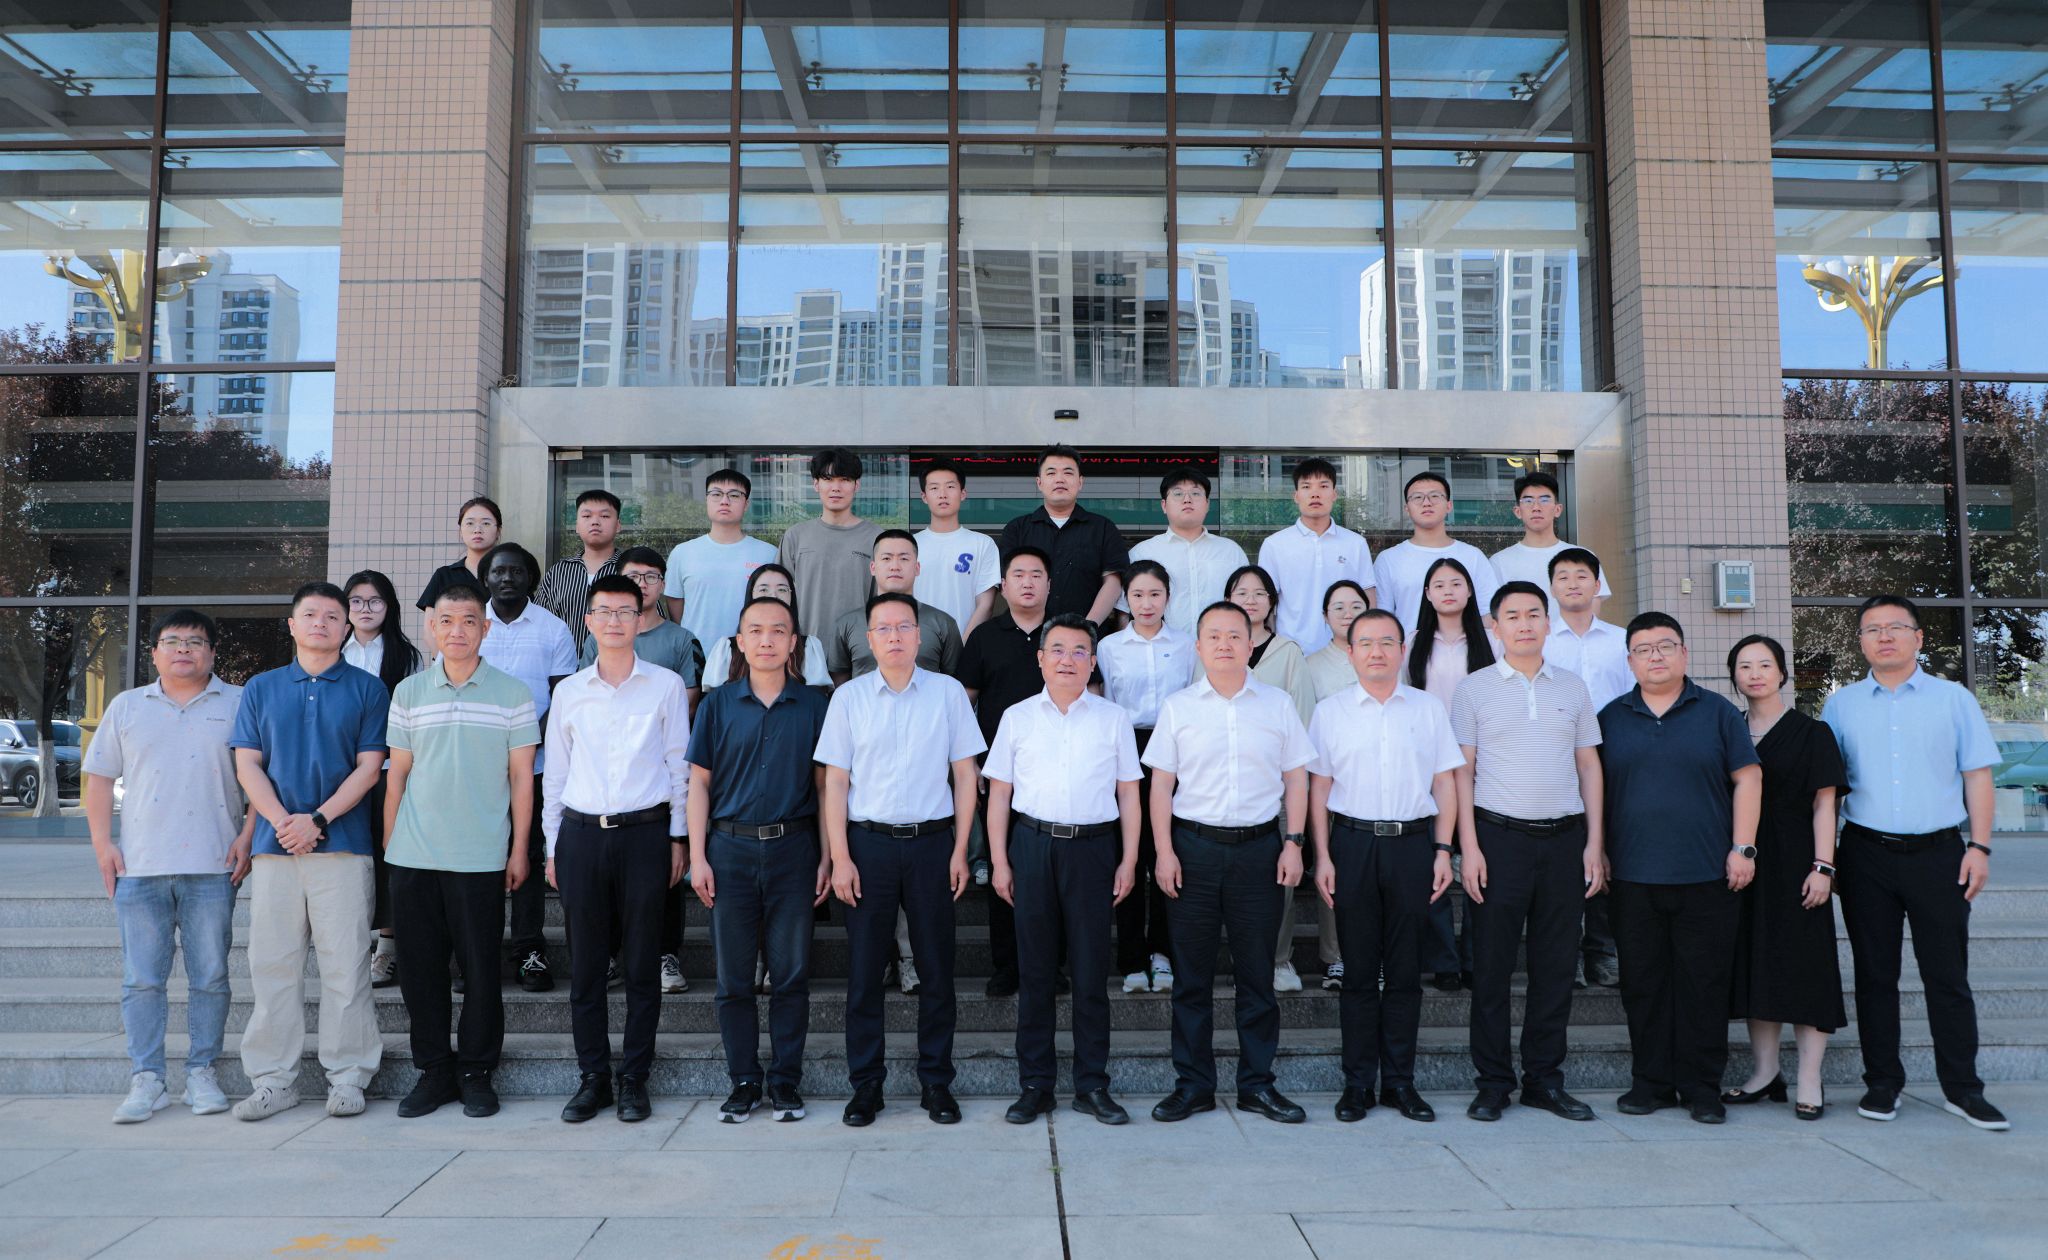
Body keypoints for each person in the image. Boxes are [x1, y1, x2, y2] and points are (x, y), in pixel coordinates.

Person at [1822, 593, 2009, 1131]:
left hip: (1939, 855)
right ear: (1861, 642)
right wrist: (1826, 859)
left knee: (1947, 976)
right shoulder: (1841, 706)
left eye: (1896, 627)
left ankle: (1963, 1089)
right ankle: (1883, 1083)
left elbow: (1977, 775)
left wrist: (1979, 847)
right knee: (1874, 976)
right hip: (1865, 855)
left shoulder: (1953, 699)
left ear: (1918, 638)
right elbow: (1827, 790)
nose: (1884, 637)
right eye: (1872, 629)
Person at [817, 592, 985, 1127]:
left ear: (919, 635)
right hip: (868, 846)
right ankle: (866, 1085)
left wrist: (961, 848)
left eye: (904, 627)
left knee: (936, 969)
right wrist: (840, 857)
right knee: (865, 972)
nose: (894, 636)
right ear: (869, 639)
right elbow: (835, 783)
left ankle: (936, 1081)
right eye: (884, 628)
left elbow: (965, 775)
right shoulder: (849, 699)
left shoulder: (947, 693)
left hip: (933, 844)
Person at [1144, 601, 1315, 1127]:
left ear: (1251, 643)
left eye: (1234, 635)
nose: (1224, 644)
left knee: (1257, 977)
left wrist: (1294, 842)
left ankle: (1257, 1086)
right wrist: (1164, 851)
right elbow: (1161, 785)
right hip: (1192, 851)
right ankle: (1193, 1086)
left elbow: (1296, 778)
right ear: (1198, 646)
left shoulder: (1277, 704)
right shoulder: (1179, 707)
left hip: (1259, 851)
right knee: (1191, 979)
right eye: (1214, 636)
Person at [228, 582, 391, 1121]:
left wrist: (317, 819)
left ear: (347, 628)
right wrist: (283, 822)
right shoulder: (261, 687)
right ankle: (273, 1080)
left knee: (346, 966)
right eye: (311, 614)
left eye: (333, 616)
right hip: (276, 850)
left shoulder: (368, 689)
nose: (321, 622)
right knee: (273, 965)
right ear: (292, 625)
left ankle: (349, 1076)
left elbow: (370, 768)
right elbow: (247, 764)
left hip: (343, 847)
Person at [84, 610, 253, 1124]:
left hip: (213, 864)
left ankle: (202, 1072)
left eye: (195, 642)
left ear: (213, 653)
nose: (184, 649)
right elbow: (98, 778)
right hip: (140, 867)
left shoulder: (239, 702)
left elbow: (260, 775)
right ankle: (148, 1079)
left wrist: (248, 835)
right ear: (155, 652)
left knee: (211, 977)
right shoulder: (128, 706)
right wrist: (102, 845)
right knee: (142, 980)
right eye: (172, 641)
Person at [383, 579, 540, 1120]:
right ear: (431, 627)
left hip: (481, 856)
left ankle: (476, 1071)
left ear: (485, 628)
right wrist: (390, 845)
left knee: (481, 972)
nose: (458, 631)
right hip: (414, 856)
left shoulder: (512, 693)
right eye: (446, 621)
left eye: (469, 621)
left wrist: (519, 851)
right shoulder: (408, 693)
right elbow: (397, 776)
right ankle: (434, 1071)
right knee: (420, 972)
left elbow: (522, 780)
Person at [1452, 580, 1605, 1124]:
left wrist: (1594, 843)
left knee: (1556, 967)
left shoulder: (1573, 687)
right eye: (1512, 615)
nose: (1524, 624)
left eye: (1533, 614)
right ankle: (1493, 1083)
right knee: (1491, 969)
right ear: (1494, 626)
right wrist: (1468, 848)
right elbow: (1462, 773)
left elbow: (1589, 766)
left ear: (1547, 622)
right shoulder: (1472, 689)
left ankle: (1544, 1080)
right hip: (1498, 841)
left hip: (1565, 841)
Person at [1599, 612, 1761, 1125]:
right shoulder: (1610, 718)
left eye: (1665, 646)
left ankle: (1701, 1087)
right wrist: (1596, 849)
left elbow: (1749, 779)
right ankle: (1650, 1082)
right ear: (1630, 661)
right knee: (1642, 985)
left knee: (1703, 985)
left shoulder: (1717, 712)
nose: (1655, 656)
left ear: (1684, 654)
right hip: (1631, 875)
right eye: (1643, 649)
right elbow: (1593, 789)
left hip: (1707, 875)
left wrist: (1743, 848)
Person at [543, 575, 692, 1124]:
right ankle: (593, 1078)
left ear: (640, 618)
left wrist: (678, 838)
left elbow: (678, 767)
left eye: (624, 611)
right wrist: (552, 846)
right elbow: (556, 776)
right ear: (588, 620)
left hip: (645, 836)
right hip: (581, 837)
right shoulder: (569, 691)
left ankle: (634, 1078)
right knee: (586, 967)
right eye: (603, 611)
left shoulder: (665, 685)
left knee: (641, 965)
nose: (614, 621)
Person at [986, 613, 1143, 1126]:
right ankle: (1035, 1084)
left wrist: (1129, 859)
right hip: (1032, 846)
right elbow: (999, 795)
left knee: (1092, 973)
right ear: (1040, 659)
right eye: (1057, 650)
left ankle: (1092, 1084)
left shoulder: (1113, 719)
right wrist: (1000, 861)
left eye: (1079, 651)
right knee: (1035, 972)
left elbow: (1129, 794)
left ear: (1093, 662)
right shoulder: (1017, 717)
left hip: (1094, 850)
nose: (1067, 660)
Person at [1308, 608, 1462, 1124]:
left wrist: (1443, 850)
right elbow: (1319, 789)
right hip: (1352, 845)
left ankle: (1399, 1082)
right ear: (1350, 653)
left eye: (1387, 642)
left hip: (1413, 846)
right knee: (1356, 972)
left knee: (1404, 972)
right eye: (1366, 643)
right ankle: (1357, 1085)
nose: (1377, 652)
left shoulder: (1427, 709)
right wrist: (1322, 856)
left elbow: (1445, 782)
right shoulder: (1330, 712)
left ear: (1402, 650)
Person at [687, 594, 832, 1125]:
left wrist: (828, 857)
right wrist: (698, 856)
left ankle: (786, 1080)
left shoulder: (816, 706)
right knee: (733, 977)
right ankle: (744, 1080)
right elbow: (698, 784)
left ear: (794, 643)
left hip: (795, 849)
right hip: (729, 850)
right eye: (756, 630)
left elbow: (826, 788)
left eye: (778, 631)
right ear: (739, 642)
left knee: (791, 974)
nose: (766, 640)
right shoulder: (717, 705)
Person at [1724, 634, 1847, 1121]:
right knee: (1757, 965)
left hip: (1799, 862)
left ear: (1781, 673)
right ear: (1734, 676)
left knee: (1807, 968)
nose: (1754, 674)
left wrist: (1823, 866)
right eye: (1744, 666)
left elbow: (1825, 804)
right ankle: (1765, 1072)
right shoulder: (1729, 728)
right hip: (1744, 863)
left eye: (1764, 664)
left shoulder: (1812, 732)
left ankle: (1810, 1077)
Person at [956, 547, 1059, 999]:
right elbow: (965, 704)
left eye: (1037, 574)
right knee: (1004, 867)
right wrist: (973, 763)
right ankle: (1006, 966)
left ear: (1049, 584)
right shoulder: (984, 636)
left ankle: (1051, 966)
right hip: (1000, 774)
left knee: (1052, 875)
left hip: (1058, 774)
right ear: (1003, 585)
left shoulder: (1066, 632)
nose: (1028, 582)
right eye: (1019, 574)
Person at [478, 541, 578, 993]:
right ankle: (478, 950)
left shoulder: (553, 628)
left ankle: (529, 949)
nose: (507, 578)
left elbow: (563, 696)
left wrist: (524, 742)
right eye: (498, 571)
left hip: (534, 764)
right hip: (476, 764)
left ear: (531, 579)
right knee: (479, 856)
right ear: (486, 578)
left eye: (516, 571)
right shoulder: (469, 623)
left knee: (530, 855)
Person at [1225, 563, 1325, 994]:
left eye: (1259, 593)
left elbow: (1302, 720)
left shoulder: (1288, 652)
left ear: (1272, 603)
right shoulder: (1214, 647)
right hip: (1223, 785)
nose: (1250, 600)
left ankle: (1280, 958)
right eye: (1241, 592)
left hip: (1279, 787)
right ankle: (1240, 958)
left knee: (1279, 880)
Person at [1097, 560, 1192, 995]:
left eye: (1155, 594)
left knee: (1168, 852)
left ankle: (1163, 953)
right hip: (1126, 748)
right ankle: (1132, 958)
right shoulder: (1109, 647)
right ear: (1126, 599)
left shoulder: (1188, 644)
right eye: (1137, 595)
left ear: (1168, 597)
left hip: (1176, 751)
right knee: (1130, 853)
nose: (1147, 603)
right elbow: (1105, 703)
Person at [1543, 547, 1631, 991]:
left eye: (1581, 575)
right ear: (1551, 587)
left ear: (1598, 585)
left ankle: (1603, 950)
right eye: (1563, 576)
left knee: (1606, 850)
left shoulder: (1622, 641)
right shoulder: (1541, 640)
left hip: (1611, 756)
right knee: (1563, 855)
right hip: (1554, 756)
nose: (1572, 583)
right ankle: (1570, 953)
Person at [1407, 557, 1495, 992]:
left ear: (1470, 591)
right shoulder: (1411, 643)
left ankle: (1476, 958)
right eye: (1438, 584)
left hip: (1484, 767)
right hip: (1429, 770)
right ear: (1427, 594)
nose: (1447, 591)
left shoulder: (1492, 642)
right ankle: (1444, 960)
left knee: (1481, 863)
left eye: (1456, 583)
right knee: (1434, 863)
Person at [342, 569, 423, 990]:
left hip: (389, 772)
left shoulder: (406, 657)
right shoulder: (333, 651)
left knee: (387, 852)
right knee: (351, 856)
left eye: (375, 601)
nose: (365, 609)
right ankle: (353, 944)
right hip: (340, 775)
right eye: (356, 601)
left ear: (388, 607)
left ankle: (387, 947)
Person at [997, 445, 1130, 624]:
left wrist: (1087, 628)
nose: (1059, 479)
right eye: (1051, 473)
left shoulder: (1103, 528)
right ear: (1039, 483)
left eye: (1068, 473)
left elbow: (1113, 583)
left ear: (1080, 482)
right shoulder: (1017, 529)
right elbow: (1008, 583)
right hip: (1028, 633)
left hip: (1089, 633)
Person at [1256, 457, 1376, 654]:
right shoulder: (1274, 545)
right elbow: (1266, 605)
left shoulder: (1355, 543)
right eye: (1306, 486)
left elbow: (1368, 598)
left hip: (1346, 651)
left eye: (1323, 486)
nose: (1315, 493)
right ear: (1296, 495)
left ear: (1334, 494)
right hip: (1290, 652)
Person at [827, 529, 963, 684]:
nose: (895, 566)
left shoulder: (943, 623)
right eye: (886, 558)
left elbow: (954, 684)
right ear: (873, 567)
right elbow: (840, 685)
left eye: (904, 559)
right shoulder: (847, 624)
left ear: (917, 568)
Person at [1373, 471, 1499, 638]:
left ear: (1449, 505)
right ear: (1407, 509)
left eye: (1435, 496)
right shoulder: (1388, 559)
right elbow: (1382, 618)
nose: (1427, 503)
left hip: (1465, 650)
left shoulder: (1473, 556)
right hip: (1409, 652)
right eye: (1418, 497)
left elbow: (1488, 614)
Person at [664, 467, 778, 648]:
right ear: (707, 500)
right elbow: (676, 604)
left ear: (746, 504)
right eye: (716, 494)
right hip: (697, 655)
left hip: (753, 654)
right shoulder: (682, 553)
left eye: (734, 495)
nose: (725, 501)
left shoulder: (769, 553)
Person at [1127, 466, 1247, 638]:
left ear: (1207, 504)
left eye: (1195, 493)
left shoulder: (1230, 551)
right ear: (1164, 505)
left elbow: (1246, 606)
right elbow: (1124, 611)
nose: (1187, 500)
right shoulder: (1142, 553)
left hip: (1220, 648)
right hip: (1160, 650)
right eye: (1178, 494)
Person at [778, 447, 881, 640]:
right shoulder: (796, 536)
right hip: (805, 647)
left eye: (845, 479)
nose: (836, 487)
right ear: (816, 484)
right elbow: (779, 599)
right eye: (828, 479)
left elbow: (883, 601)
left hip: (858, 648)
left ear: (857, 485)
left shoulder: (876, 537)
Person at [1487, 470, 1610, 616]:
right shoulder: (1499, 562)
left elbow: (1592, 609)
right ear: (1517, 511)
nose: (1536, 507)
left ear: (1558, 509)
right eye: (1528, 501)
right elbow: (1496, 613)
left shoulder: (1583, 556)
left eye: (1544, 500)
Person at [704, 564, 833, 689]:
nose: (773, 596)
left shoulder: (808, 647)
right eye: (763, 589)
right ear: (751, 593)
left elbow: (816, 698)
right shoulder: (728, 648)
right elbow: (716, 699)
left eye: (782, 590)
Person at [913, 458, 1001, 639]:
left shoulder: (982, 544)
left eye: (950, 487)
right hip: (918, 646)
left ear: (962, 493)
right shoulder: (910, 545)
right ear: (924, 497)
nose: (942, 494)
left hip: (965, 644)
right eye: (934, 488)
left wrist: (963, 646)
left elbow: (985, 605)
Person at [536, 488, 624, 652]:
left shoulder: (630, 571)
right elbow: (539, 624)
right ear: (577, 525)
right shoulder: (558, 572)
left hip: (618, 665)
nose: (595, 522)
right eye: (587, 516)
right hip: (564, 665)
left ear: (618, 525)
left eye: (605, 516)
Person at [415, 495, 504, 615]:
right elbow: (430, 624)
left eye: (486, 523)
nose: (477, 529)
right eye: (470, 523)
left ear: (498, 531)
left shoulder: (510, 576)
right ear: (460, 531)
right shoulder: (444, 576)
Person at [1303, 580, 1371, 706]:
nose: (1348, 615)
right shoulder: (1309, 666)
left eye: (1356, 607)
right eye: (1339, 608)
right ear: (1325, 616)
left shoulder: (1386, 656)